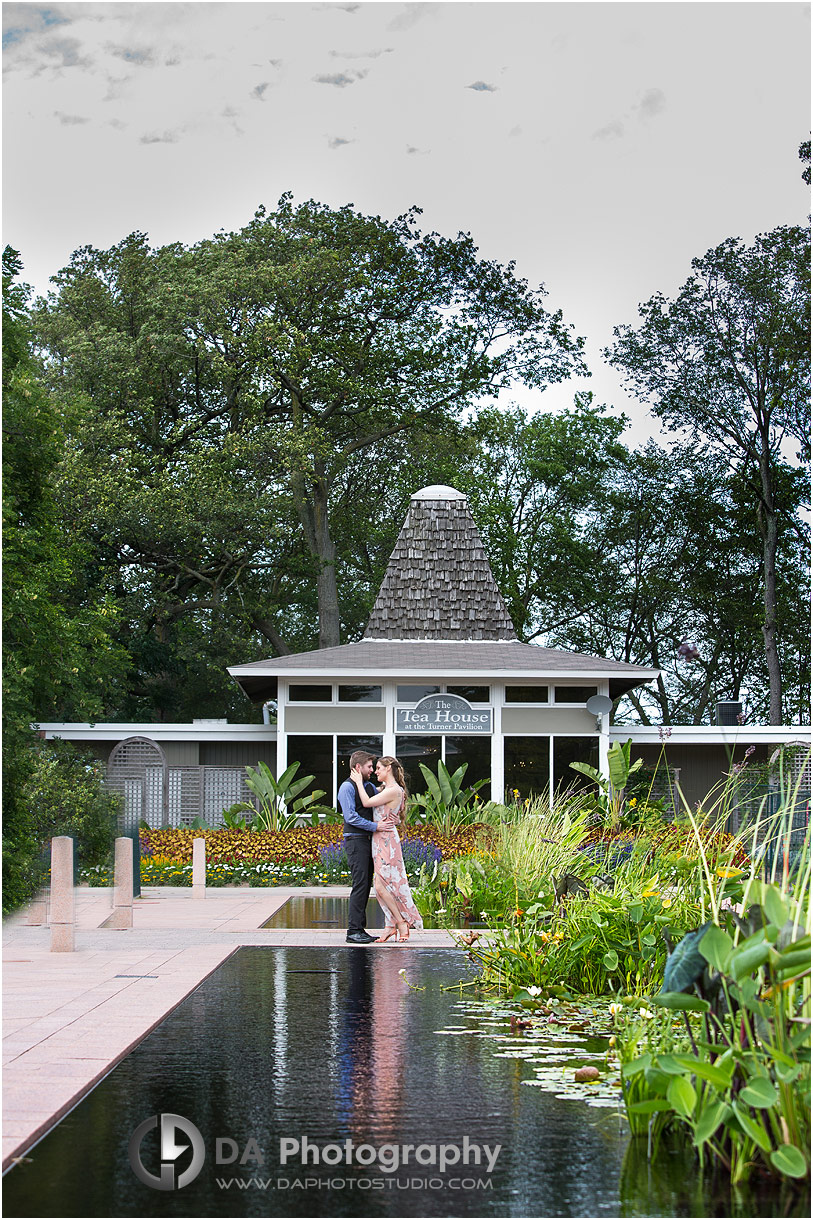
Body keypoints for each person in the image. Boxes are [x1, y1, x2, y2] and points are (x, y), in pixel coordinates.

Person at [350, 755, 424, 943]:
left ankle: (400, 922)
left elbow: (367, 802)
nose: (375, 771)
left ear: (388, 768)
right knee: (384, 885)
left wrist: (358, 782)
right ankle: (390, 926)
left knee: (382, 886)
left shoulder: (394, 790)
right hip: (380, 839)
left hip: (386, 841)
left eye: (379, 768)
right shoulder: (386, 789)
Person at [338, 750, 382, 944]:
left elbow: (381, 797)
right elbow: (351, 817)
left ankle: (360, 930)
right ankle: (353, 931)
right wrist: (376, 827)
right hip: (356, 841)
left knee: (365, 886)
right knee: (360, 884)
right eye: (369, 766)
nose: (372, 770)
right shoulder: (346, 788)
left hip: (367, 841)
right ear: (358, 767)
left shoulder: (368, 786)